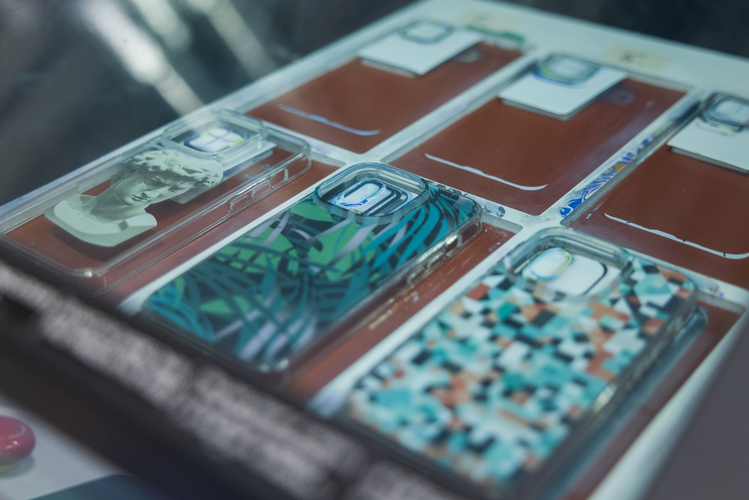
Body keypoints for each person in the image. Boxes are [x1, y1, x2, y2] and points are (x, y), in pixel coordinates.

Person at [45, 148, 223, 247]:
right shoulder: (70, 201)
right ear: (129, 172)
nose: (154, 194)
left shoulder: (136, 224)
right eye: (153, 182)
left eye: (175, 189)